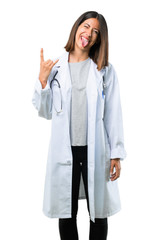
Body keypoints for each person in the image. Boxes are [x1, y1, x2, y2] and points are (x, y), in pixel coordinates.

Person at [32, 11, 127, 240]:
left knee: (98, 213)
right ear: (76, 27)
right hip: (66, 151)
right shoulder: (55, 69)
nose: (89, 34)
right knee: (67, 212)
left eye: (95, 32)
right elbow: (45, 112)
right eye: (86, 26)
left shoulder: (104, 70)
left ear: (99, 39)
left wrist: (116, 153)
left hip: (95, 149)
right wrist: (43, 81)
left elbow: (113, 113)